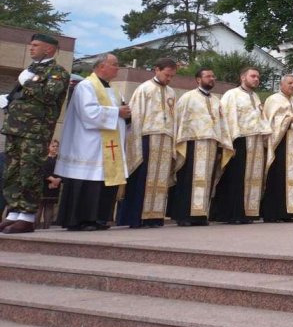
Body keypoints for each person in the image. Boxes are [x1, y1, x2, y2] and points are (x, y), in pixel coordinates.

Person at [0, 32, 70, 234]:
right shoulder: (31, 70)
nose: (31, 48)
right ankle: (14, 213)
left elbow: (48, 95)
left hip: (35, 132)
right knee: (12, 171)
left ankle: (28, 216)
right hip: (15, 129)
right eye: (31, 45)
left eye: (35, 45)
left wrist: (28, 82)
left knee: (29, 172)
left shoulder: (57, 72)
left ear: (48, 49)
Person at [54, 53, 129, 232]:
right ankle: (80, 220)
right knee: (87, 183)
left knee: (102, 183)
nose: (117, 68)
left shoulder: (113, 89)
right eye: (114, 64)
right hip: (88, 146)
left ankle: (98, 219)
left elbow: (117, 113)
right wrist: (117, 112)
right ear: (101, 66)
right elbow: (89, 113)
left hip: (107, 148)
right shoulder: (86, 86)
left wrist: (126, 116)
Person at [168, 68, 233, 226]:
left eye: (213, 76)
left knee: (206, 181)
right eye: (208, 76)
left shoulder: (216, 101)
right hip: (192, 144)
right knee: (188, 181)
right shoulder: (188, 97)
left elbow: (222, 124)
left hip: (211, 145)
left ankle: (200, 215)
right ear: (198, 79)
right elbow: (180, 121)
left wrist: (223, 143)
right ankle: (184, 216)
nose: (212, 78)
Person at [118, 57, 178, 228]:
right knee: (143, 179)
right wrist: (135, 142)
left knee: (160, 180)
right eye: (167, 75)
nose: (169, 79)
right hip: (147, 138)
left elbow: (173, 118)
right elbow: (136, 116)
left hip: (165, 140)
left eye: (172, 76)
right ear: (156, 70)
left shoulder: (171, 93)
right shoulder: (144, 89)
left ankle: (154, 216)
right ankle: (137, 217)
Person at [212, 66, 271, 224]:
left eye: (258, 77)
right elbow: (226, 118)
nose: (256, 79)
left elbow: (261, 117)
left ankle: (249, 211)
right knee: (237, 178)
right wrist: (231, 141)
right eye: (253, 76)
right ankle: (233, 213)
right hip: (239, 140)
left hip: (256, 141)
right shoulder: (232, 95)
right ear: (243, 77)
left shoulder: (256, 96)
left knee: (253, 177)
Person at [261, 75, 293, 223]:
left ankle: (288, 212)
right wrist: (290, 120)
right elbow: (270, 121)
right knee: (277, 178)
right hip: (280, 144)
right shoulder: (273, 99)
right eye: (290, 83)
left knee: (291, 179)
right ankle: (272, 213)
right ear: (281, 85)